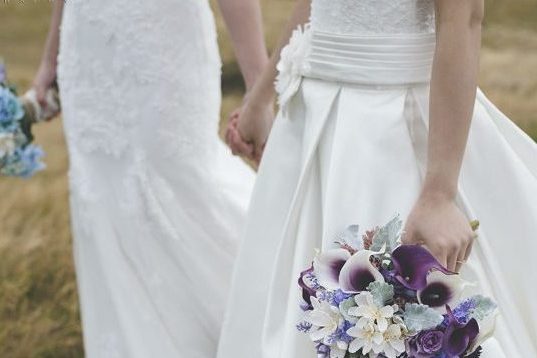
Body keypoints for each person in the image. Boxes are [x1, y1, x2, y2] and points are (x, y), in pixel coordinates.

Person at [221, 0, 537, 356]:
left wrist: (439, 193)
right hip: (311, 118)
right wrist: (261, 97)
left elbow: (462, 19)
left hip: (394, 125)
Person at [33, 0, 267, 356]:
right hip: (86, 48)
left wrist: (258, 91)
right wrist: (51, 56)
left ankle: (283, 315)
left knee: (180, 183)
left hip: (160, 44)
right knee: (101, 199)